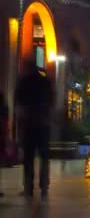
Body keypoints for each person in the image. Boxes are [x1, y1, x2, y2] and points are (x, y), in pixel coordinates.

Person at [15, 59, 54, 199]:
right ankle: (43, 186)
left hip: (29, 124)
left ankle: (28, 187)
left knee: (28, 157)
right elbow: (51, 101)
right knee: (44, 157)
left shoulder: (24, 83)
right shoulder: (45, 82)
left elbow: (19, 102)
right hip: (43, 123)